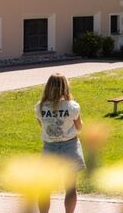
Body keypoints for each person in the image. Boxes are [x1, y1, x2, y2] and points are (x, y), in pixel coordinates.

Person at [34, 73, 84, 213]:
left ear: (48, 87)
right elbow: (79, 127)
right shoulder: (72, 106)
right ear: (65, 86)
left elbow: (43, 126)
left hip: (50, 148)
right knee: (70, 188)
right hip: (70, 147)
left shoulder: (40, 107)